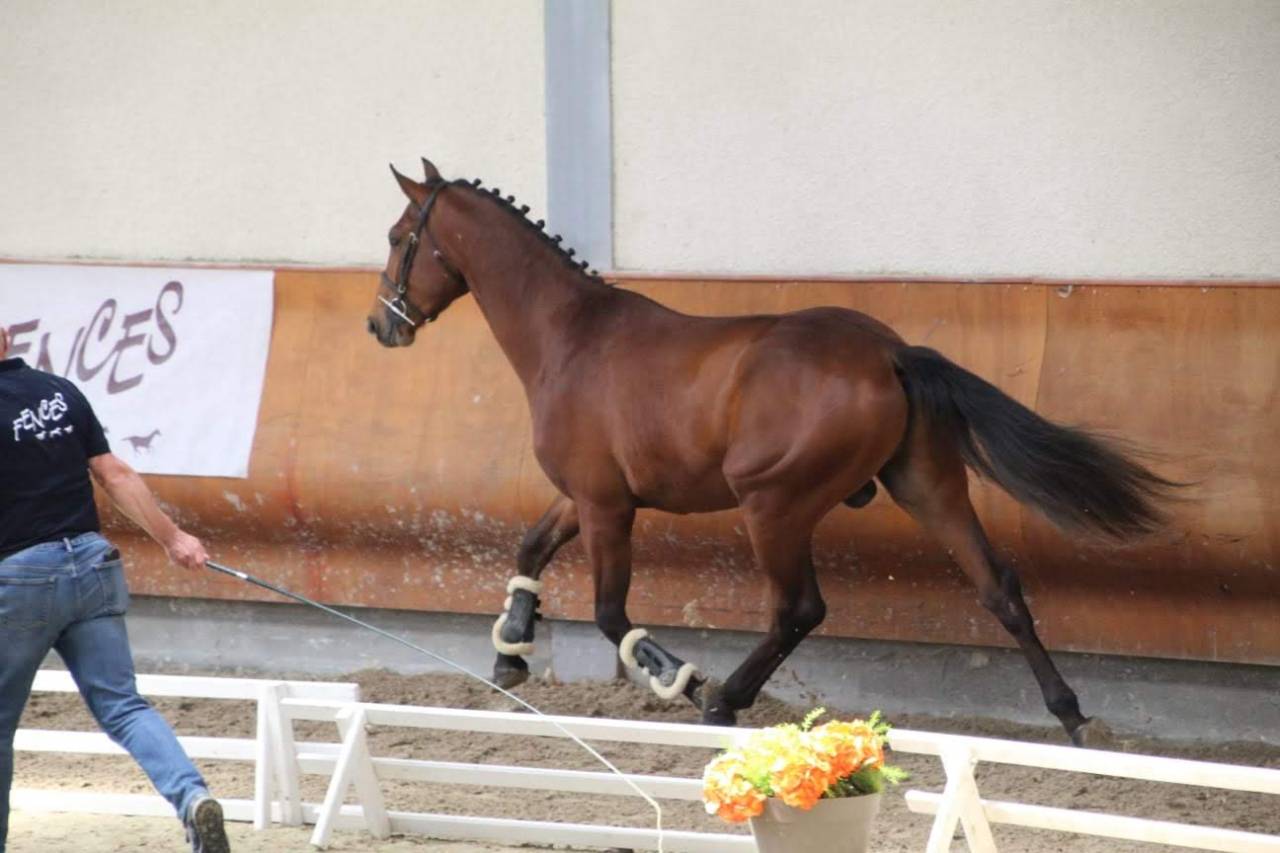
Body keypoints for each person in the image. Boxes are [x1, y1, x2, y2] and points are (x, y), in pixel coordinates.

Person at [0, 325, 230, 853]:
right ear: (8, 336)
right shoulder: (60, 391)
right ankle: (192, 797)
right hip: (92, 563)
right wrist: (174, 539)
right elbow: (115, 473)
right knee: (124, 706)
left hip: (20, 579)